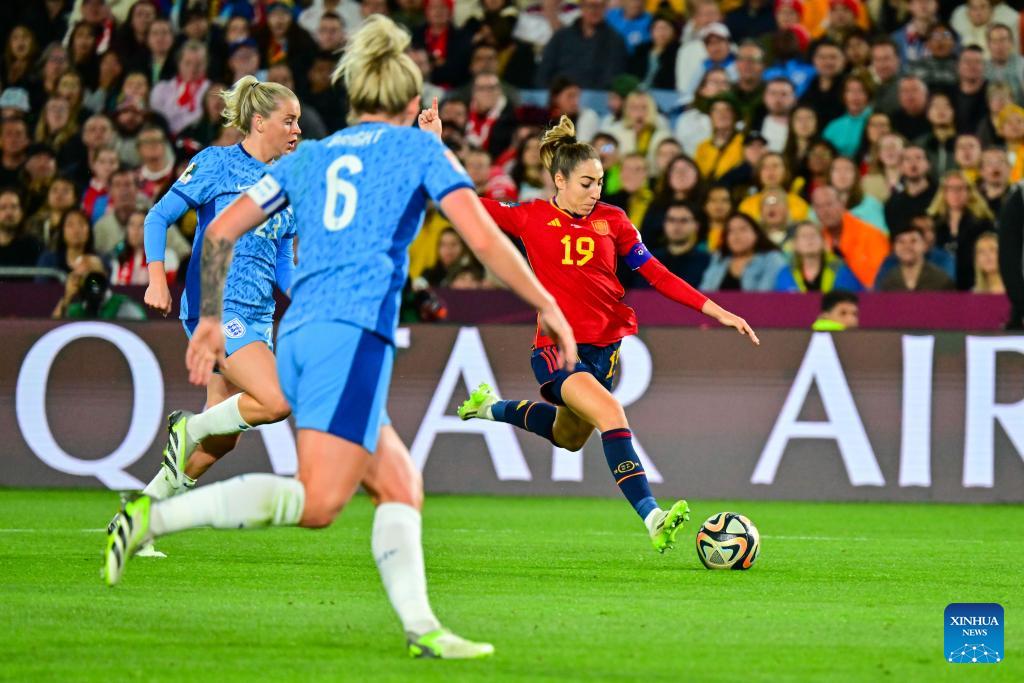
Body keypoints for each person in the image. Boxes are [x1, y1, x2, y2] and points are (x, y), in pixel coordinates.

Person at [106, 16, 576, 660]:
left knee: (400, 484)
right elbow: (486, 239)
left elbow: (217, 235)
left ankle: (422, 629)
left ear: (352, 99)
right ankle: (151, 518)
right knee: (321, 501)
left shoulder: (313, 158)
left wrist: (208, 317)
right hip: (350, 336)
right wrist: (546, 301)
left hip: (295, 332)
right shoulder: (418, 151)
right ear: (411, 104)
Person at [463, 115, 756, 548]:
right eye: (585, 183)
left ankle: (488, 407)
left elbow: (655, 273)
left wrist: (716, 310)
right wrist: (432, 146)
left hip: (604, 351)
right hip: (556, 349)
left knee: (568, 438)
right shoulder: (529, 218)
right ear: (558, 181)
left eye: (599, 182)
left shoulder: (614, 221)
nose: (594, 192)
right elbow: (462, 202)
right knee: (612, 416)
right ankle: (653, 517)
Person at [128, 77, 303, 559]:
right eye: (288, 121)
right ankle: (189, 428)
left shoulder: (287, 185)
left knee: (221, 438)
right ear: (259, 121)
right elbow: (157, 218)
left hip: (258, 317)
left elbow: (285, 265)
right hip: (217, 310)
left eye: (299, 122)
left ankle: (141, 516)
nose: (296, 130)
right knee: (275, 400)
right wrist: (157, 278)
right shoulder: (216, 163)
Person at [927, 169, 995, 290]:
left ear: (969, 192)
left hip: (973, 283)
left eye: (960, 188)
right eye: (950, 189)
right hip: (939, 285)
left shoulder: (983, 223)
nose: (955, 193)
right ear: (944, 192)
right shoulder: (933, 222)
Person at [812, 185, 890, 288]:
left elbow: (884, 279)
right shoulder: (816, 240)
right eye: (819, 207)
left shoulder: (871, 235)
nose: (825, 211)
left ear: (842, 204)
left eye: (829, 204)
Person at [700, 211, 786, 290]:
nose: (736, 235)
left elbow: (766, 297)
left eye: (743, 229)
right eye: (731, 231)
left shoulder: (772, 258)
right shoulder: (719, 258)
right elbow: (706, 291)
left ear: (756, 233)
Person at [775, 220, 861, 292]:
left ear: (823, 242)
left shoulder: (841, 270)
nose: (809, 239)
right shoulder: (785, 274)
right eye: (804, 236)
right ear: (795, 245)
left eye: (813, 235)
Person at [877, 226, 956, 291]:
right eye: (901, 241)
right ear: (894, 248)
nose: (907, 246)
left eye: (913, 241)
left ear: (925, 246)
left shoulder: (941, 281)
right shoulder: (887, 282)